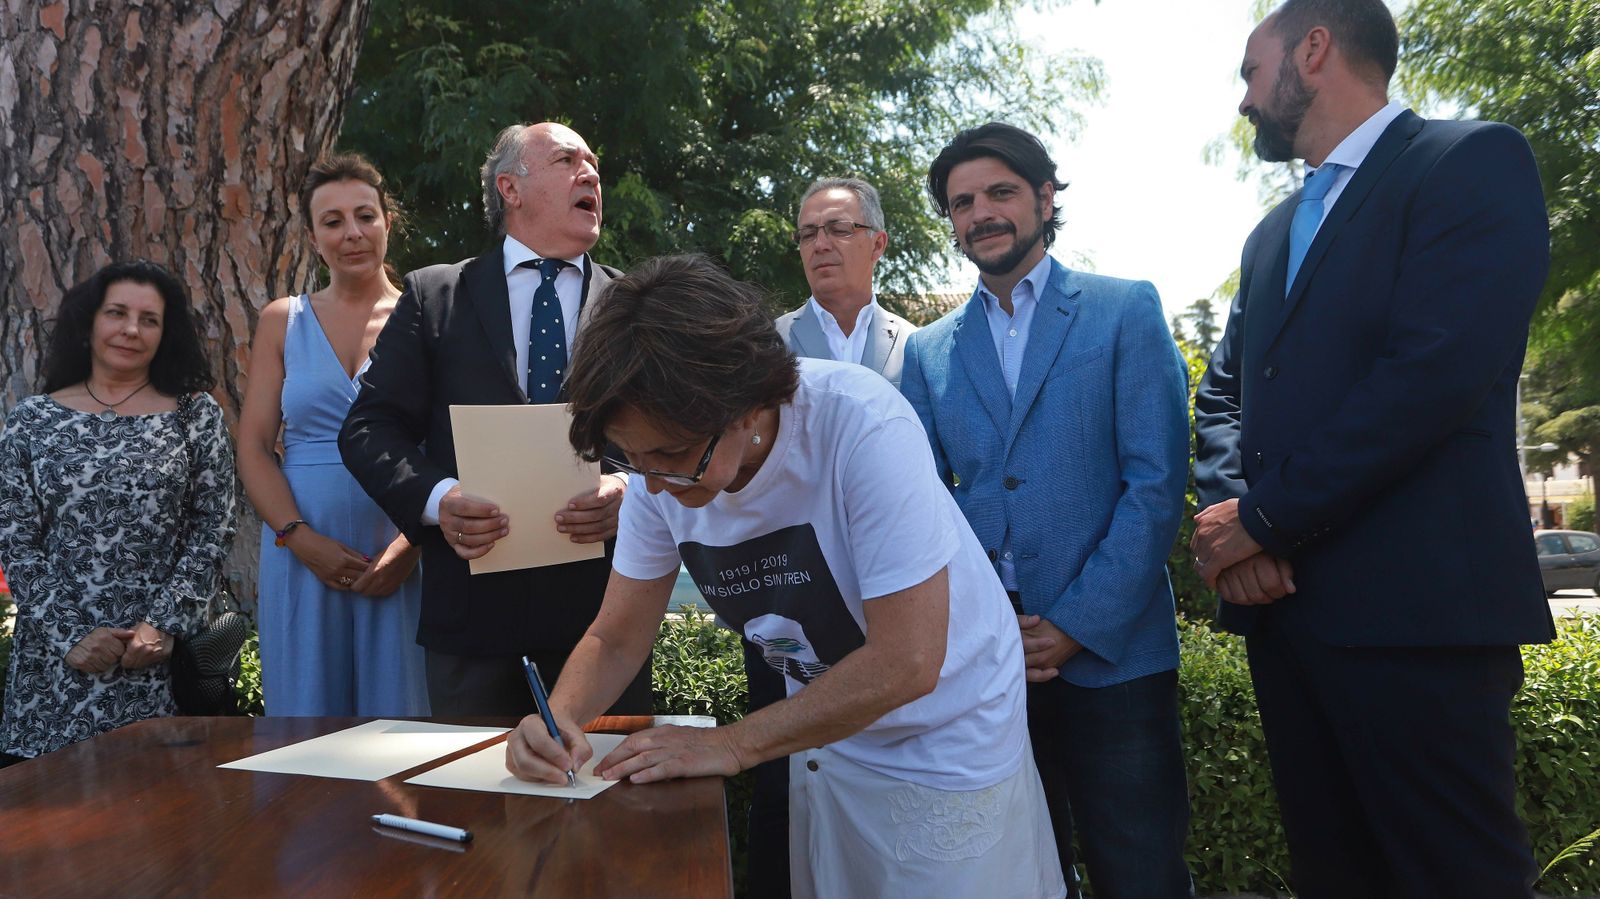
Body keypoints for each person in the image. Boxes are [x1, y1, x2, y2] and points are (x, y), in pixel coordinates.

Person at [505, 254, 1064, 899]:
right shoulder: (660, 474)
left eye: (670, 458)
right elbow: (618, 636)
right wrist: (558, 721)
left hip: (944, 737)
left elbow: (909, 660)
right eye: (630, 459)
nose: (651, 484)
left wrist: (734, 745)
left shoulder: (858, 424)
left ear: (745, 406)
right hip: (828, 728)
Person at [1192, 1, 1555, 894]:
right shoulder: (1271, 232)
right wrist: (1237, 525)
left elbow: (1432, 376)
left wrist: (1268, 519)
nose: (1242, 101)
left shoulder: (1469, 162)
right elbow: (1225, 391)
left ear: (1312, 50)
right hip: (1285, 620)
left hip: (1419, 622)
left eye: (1249, 70)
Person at [901, 123, 1193, 897]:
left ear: (1044, 196)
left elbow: (1156, 486)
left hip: (1114, 655)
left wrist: (1073, 625)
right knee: (1014, 873)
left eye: (999, 192)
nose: (981, 213)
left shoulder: (1123, 310)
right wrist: (985, 626)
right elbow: (918, 506)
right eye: (962, 203)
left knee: (1142, 873)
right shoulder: (928, 353)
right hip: (985, 662)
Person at [339, 122, 649, 716]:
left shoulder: (635, 305)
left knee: (605, 802)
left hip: (604, 624)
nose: (591, 174)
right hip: (471, 620)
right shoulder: (435, 295)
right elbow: (367, 429)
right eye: (567, 160)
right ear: (511, 187)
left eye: (594, 164)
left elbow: (672, 432)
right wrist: (439, 499)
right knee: (473, 806)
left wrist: (629, 487)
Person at [0, 260, 236, 764]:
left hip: (160, 662)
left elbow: (213, 528)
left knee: (167, 829)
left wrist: (163, 624)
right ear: (89, 323)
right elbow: (16, 543)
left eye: (149, 319)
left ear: (164, 334)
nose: (131, 329)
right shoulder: (31, 420)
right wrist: (70, 636)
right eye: (117, 313)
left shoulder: (194, 415)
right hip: (56, 669)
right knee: (48, 835)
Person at [238, 154, 428, 716]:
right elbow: (253, 447)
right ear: (312, 236)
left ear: (388, 222)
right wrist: (298, 538)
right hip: (302, 551)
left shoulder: (429, 318)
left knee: (403, 724)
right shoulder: (281, 320)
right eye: (333, 221)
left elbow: (451, 444)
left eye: (365, 216)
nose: (352, 233)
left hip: (400, 552)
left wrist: (411, 545)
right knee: (304, 720)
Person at [774, 177, 917, 387]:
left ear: (877, 245)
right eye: (808, 234)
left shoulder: (914, 346)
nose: (820, 245)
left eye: (839, 229)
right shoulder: (769, 343)